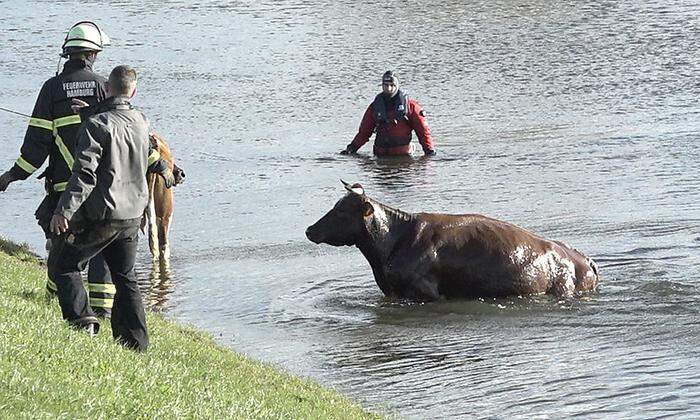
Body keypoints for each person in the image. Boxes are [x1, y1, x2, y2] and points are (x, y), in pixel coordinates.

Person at [48, 65, 169, 351]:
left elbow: (85, 175)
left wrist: (63, 211)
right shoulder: (141, 120)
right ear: (134, 91)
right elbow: (127, 133)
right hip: (131, 216)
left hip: (102, 215)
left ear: (105, 89)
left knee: (65, 266)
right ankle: (136, 344)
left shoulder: (96, 124)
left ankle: (83, 321)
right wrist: (168, 170)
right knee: (126, 277)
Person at [0, 21, 116, 317]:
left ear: (67, 53)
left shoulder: (51, 89)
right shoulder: (104, 87)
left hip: (64, 187)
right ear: (93, 54)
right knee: (100, 247)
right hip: (100, 187)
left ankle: (60, 299)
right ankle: (102, 311)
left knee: (64, 248)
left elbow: (36, 145)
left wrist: (13, 175)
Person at [341, 71, 436, 156]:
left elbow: (423, 132)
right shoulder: (375, 106)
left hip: (403, 156)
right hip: (380, 155)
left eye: (392, 85)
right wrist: (351, 148)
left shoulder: (411, 106)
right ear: (382, 86)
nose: (389, 88)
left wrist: (429, 151)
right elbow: (364, 133)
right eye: (386, 85)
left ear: (397, 85)